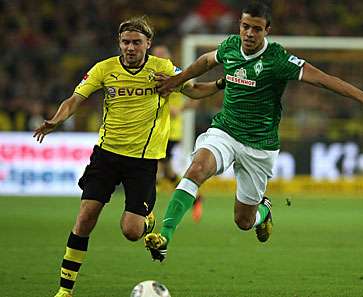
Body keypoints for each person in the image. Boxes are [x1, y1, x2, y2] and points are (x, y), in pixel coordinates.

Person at [144, 2, 363, 262]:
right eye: (245, 26)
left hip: (260, 145)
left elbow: (324, 79)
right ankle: (165, 237)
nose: (249, 34)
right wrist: (175, 81)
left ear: (267, 30)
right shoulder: (231, 46)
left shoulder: (278, 59)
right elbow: (205, 61)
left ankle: (263, 214)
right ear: (240, 26)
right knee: (196, 168)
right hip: (226, 130)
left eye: (256, 29)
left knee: (243, 221)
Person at [33, 16, 224, 297]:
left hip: (143, 162)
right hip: (106, 155)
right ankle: (65, 290)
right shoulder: (104, 69)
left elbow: (194, 91)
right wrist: (56, 120)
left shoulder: (163, 68)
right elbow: (75, 99)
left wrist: (222, 83)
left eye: (136, 42)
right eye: (125, 42)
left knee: (132, 231)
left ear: (148, 44)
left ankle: (146, 221)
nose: (130, 47)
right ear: (119, 43)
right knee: (85, 218)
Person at [151, 45, 205, 223]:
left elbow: (196, 99)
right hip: (155, 128)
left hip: (171, 131)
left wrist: (180, 109)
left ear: (168, 57)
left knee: (154, 165)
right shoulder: (149, 75)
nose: (158, 58)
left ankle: (146, 209)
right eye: (156, 55)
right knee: (166, 171)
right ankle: (195, 199)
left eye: (162, 55)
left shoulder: (177, 75)